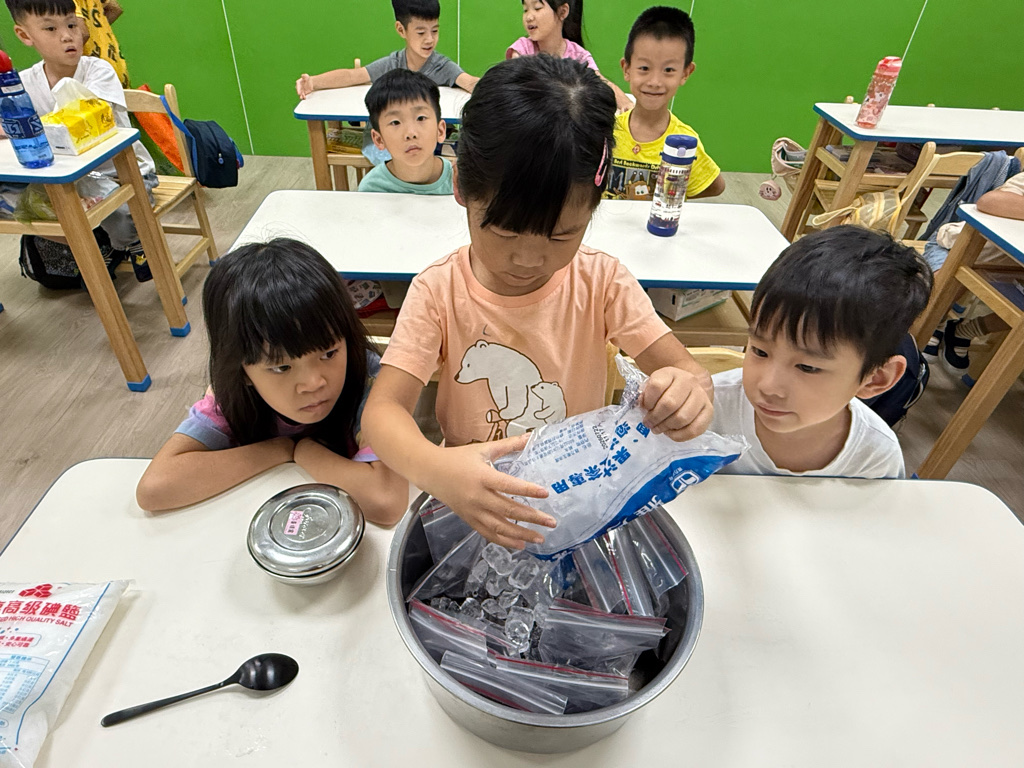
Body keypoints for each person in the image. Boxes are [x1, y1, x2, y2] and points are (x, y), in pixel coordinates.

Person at [362, 56, 714, 549]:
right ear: (461, 187)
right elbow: (382, 414)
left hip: (574, 500)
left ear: (594, 208)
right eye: (506, 232)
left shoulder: (602, 282)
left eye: (561, 235)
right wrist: (438, 469)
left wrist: (688, 394)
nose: (528, 259)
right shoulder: (439, 291)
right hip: (469, 497)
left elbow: (689, 373)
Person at [136, 239, 409, 524]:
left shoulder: (369, 381)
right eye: (281, 367)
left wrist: (304, 450)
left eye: (329, 353)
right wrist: (281, 449)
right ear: (241, 370)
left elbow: (387, 501)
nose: (313, 382)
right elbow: (154, 488)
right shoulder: (231, 398)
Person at [709, 226, 933, 479]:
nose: (769, 386)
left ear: (876, 378)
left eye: (807, 367)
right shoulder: (708, 410)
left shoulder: (874, 457)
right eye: (760, 351)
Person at [6, 0, 157, 280]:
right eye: (50, 29)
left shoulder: (98, 71)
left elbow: (82, 120)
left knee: (121, 213)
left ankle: (130, 243)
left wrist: (27, 127)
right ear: (25, 35)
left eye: (72, 24)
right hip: (69, 179)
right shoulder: (24, 83)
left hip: (123, 174)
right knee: (20, 201)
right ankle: (96, 244)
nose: (67, 36)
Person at [604, 6, 724, 201]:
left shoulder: (684, 141)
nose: (655, 82)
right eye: (644, 68)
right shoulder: (606, 130)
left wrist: (675, 196)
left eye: (668, 70)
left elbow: (716, 186)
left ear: (685, 73)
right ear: (627, 69)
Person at [925, 171, 1024, 385]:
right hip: (956, 247)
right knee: (934, 302)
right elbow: (989, 202)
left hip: (1009, 268)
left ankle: (965, 330)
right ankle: (935, 322)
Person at [295, 0, 478, 98]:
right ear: (401, 30)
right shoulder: (392, 64)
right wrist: (313, 82)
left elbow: (470, 82)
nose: (429, 39)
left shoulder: (443, 67)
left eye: (435, 31)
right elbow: (352, 76)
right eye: (421, 33)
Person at [506, 0, 632, 112]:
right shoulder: (522, 51)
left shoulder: (579, 55)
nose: (528, 17)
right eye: (525, 10)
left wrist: (627, 104)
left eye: (537, 8)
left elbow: (601, 83)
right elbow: (516, 96)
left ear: (563, 12)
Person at [359, 68, 453, 194]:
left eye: (421, 118)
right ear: (379, 139)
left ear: (440, 130)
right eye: (395, 122)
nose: (411, 133)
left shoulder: (460, 182)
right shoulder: (372, 189)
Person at [75, 0, 128, 86]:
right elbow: (114, 9)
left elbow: (81, 34)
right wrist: (95, 32)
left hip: (93, 76)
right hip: (113, 67)